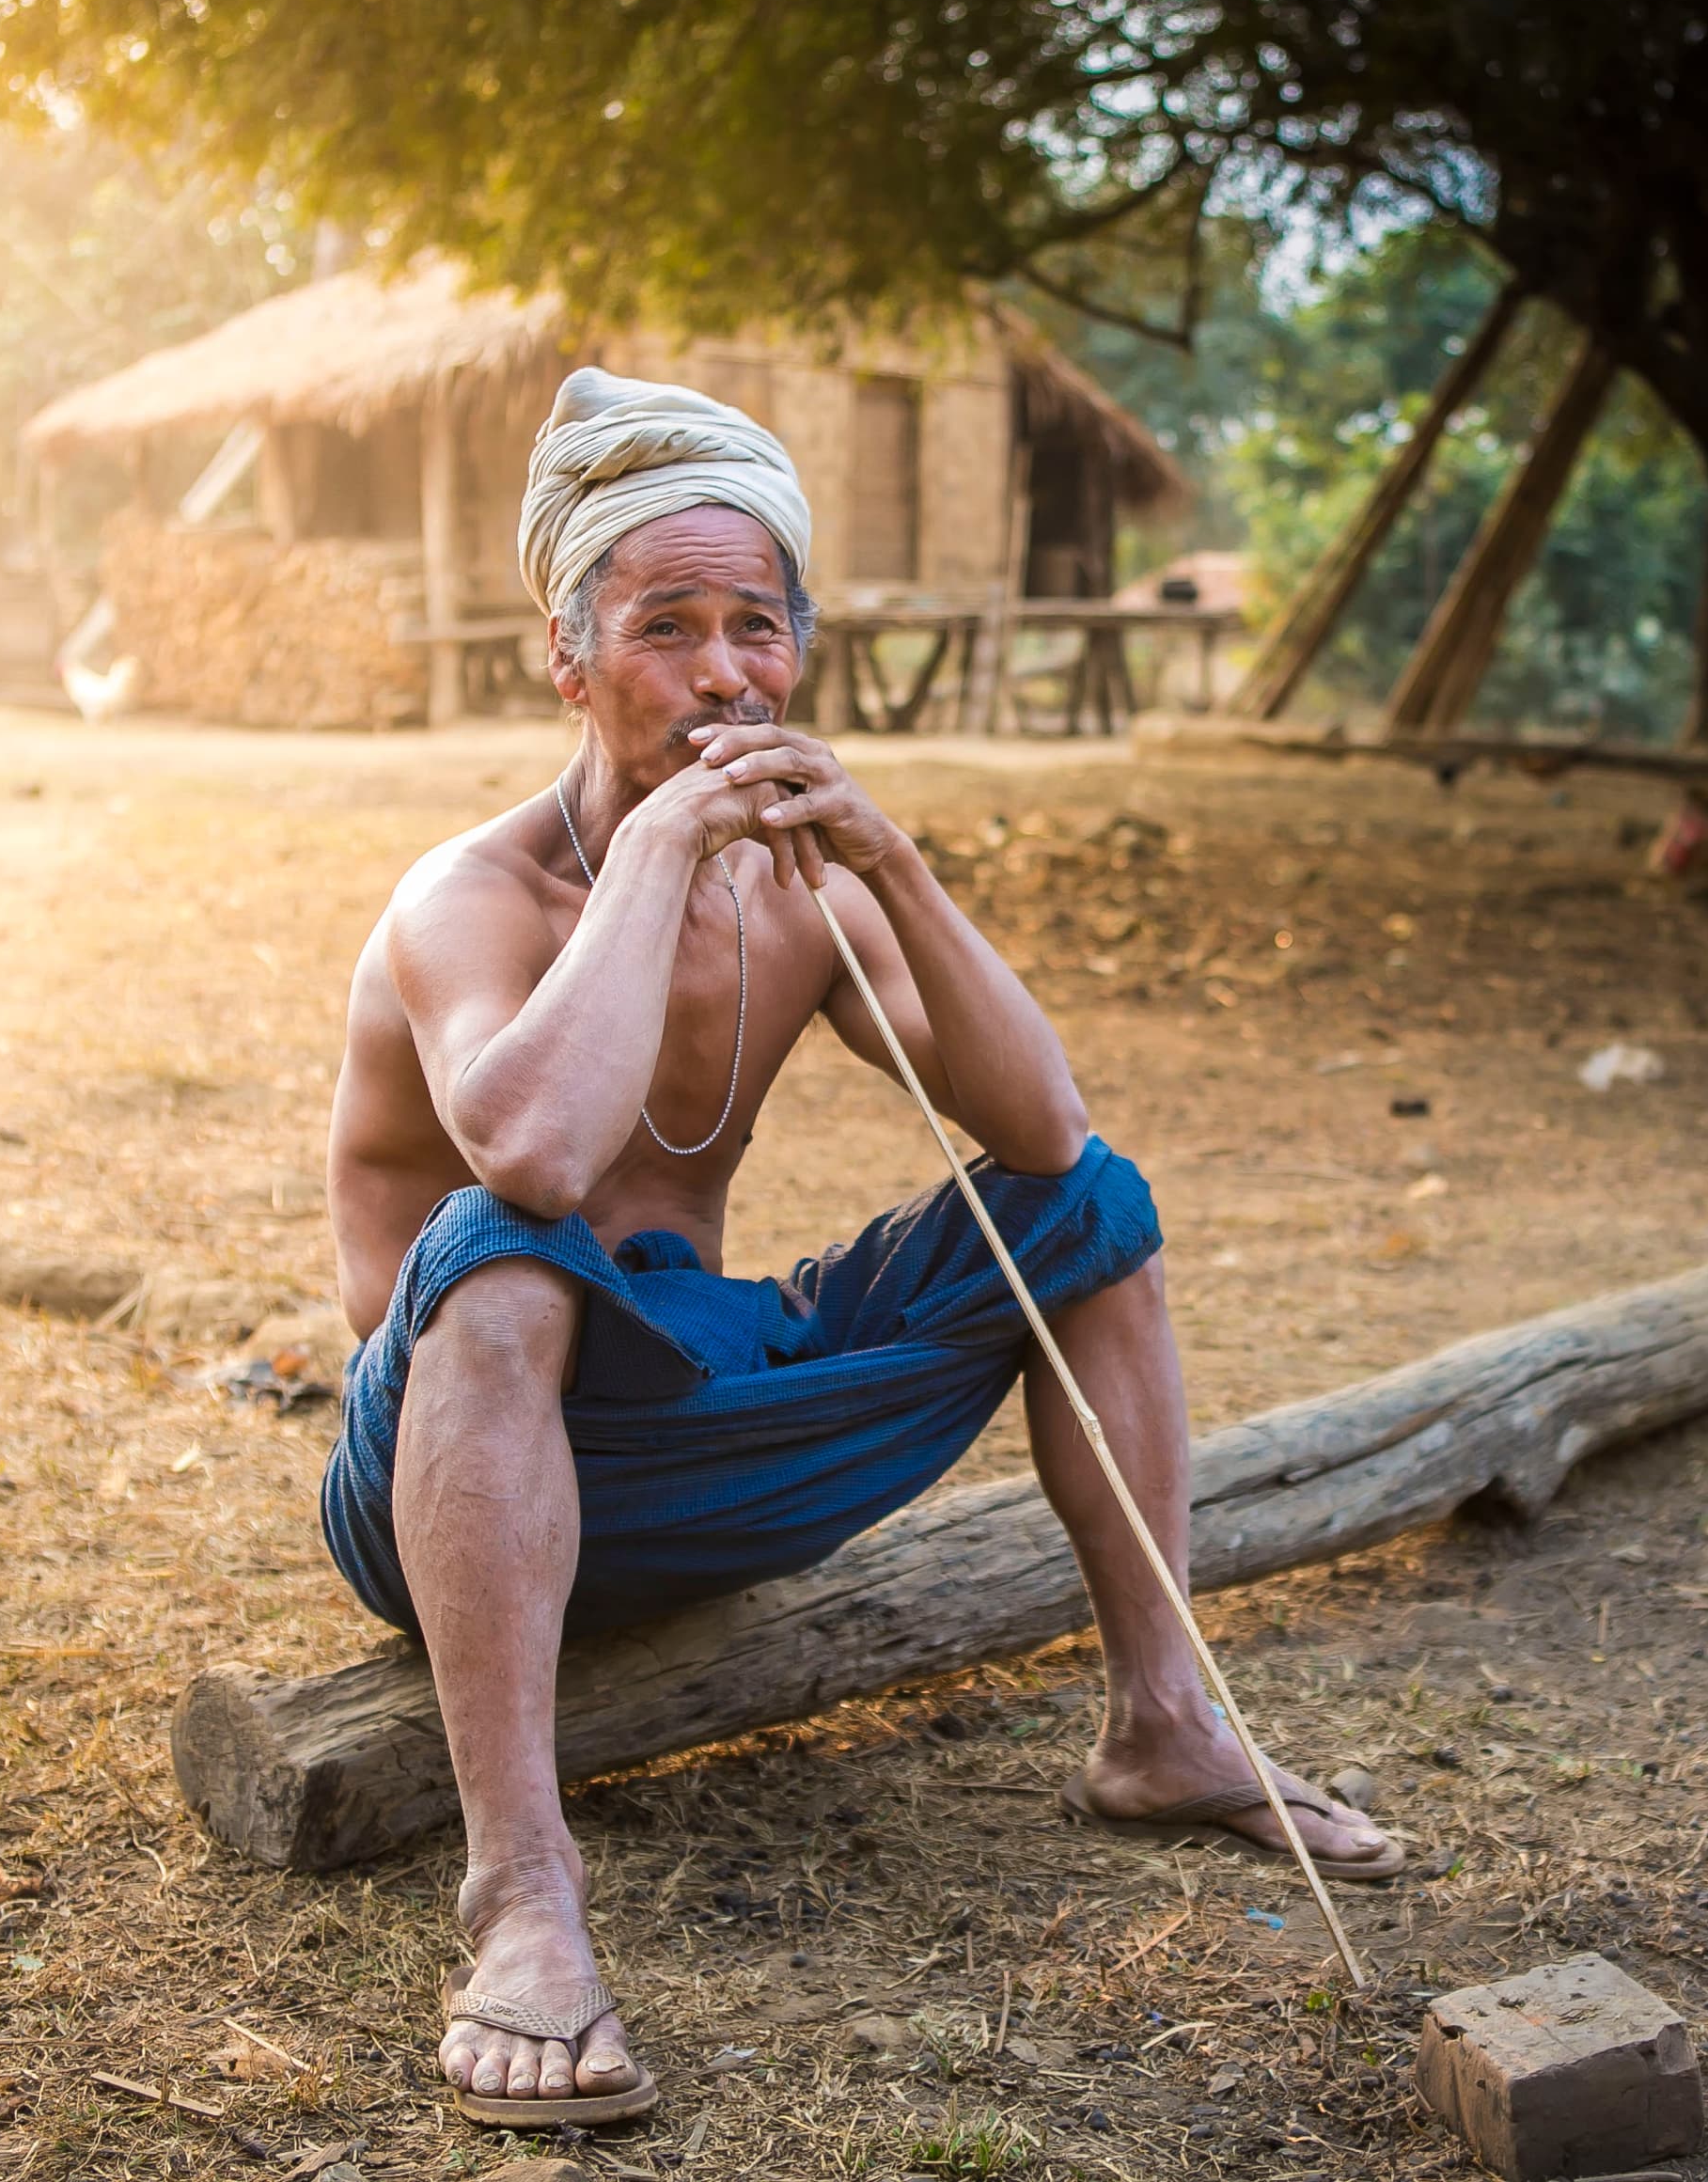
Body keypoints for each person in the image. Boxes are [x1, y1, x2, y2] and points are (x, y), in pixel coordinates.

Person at [323, 370, 1397, 2129]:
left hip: (708, 1427)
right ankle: (521, 1893)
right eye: (666, 628)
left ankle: (1164, 1723)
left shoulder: (808, 890)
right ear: (566, 658)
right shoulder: (475, 896)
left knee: (1091, 1211)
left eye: (757, 627)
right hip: (460, 1463)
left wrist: (890, 862)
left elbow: (1043, 1133)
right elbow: (528, 1155)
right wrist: (659, 850)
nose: (724, 675)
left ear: (802, 651)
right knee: (506, 1253)